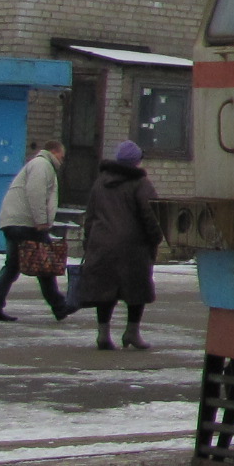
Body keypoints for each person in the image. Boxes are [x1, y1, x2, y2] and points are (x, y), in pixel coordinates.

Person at [75, 139, 163, 350]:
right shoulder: (141, 184)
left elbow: (90, 216)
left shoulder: (100, 182)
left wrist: (89, 241)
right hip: (133, 246)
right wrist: (156, 237)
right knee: (136, 289)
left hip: (102, 243)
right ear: (136, 161)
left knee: (104, 290)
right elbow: (151, 215)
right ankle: (132, 332)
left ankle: (103, 333)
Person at [0, 139, 73, 322]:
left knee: (13, 267)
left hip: (16, 221)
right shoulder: (42, 165)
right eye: (62, 157)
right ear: (54, 152)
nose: (62, 161)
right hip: (26, 223)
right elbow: (36, 192)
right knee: (44, 264)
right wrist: (42, 221)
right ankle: (60, 306)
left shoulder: (38, 164)